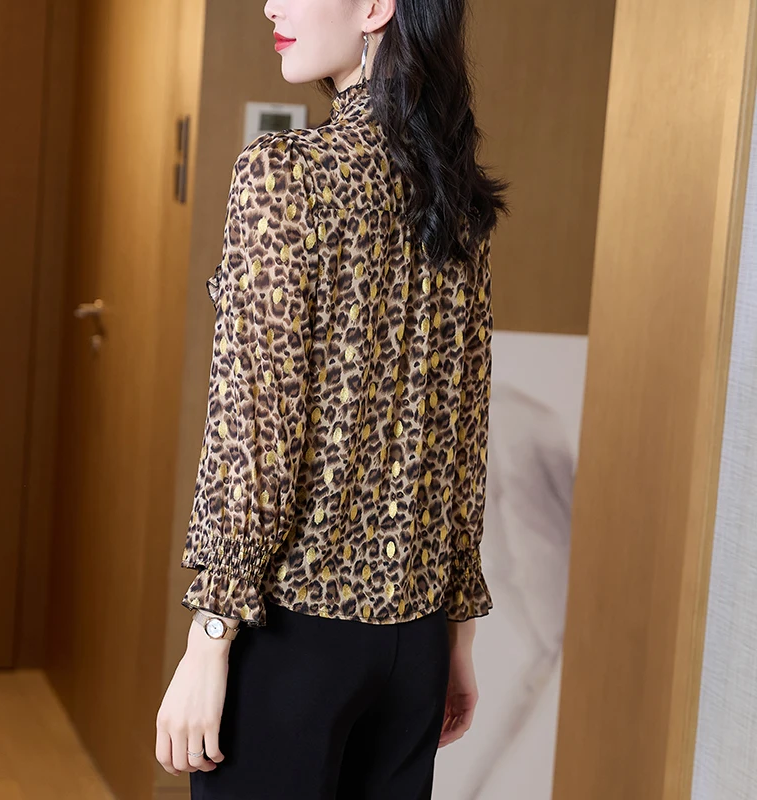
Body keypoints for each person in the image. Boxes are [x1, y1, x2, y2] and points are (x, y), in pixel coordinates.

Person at [155, 0, 510, 797]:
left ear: (377, 7)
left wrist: (209, 638)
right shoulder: (456, 196)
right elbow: (463, 433)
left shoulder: (284, 176)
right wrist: (456, 637)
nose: (270, 5)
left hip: (294, 642)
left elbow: (255, 432)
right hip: (415, 644)